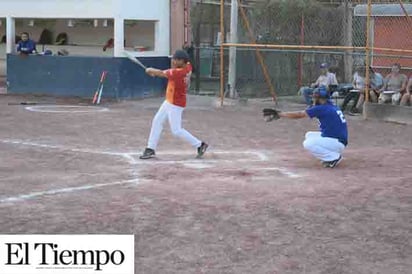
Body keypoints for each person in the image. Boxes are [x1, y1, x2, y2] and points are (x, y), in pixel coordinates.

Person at [140, 50, 208, 159]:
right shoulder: (188, 66)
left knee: (176, 130)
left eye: (176, 60)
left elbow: (162, 73)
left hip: (175, 103)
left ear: (182, 61)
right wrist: (155, 73)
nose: (173, 61)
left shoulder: (179, 73)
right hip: (169, 100)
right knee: (157, 121)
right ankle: (150, 148)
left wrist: (150, 70)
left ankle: (200, 145)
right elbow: (164, 74)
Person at [278, 87, 348, 168]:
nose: (313, 99)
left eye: (315, 97)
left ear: (321, 99)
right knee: (309, 135)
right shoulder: (330, 105)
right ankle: (332, 154)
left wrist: (279, 114)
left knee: (308, 144)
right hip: (337, 139)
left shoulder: (321, 108)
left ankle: (333, 157)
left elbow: (299, 114)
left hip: (336, 142)